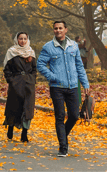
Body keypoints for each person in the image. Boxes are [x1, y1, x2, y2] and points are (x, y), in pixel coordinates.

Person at [37, 20, 89, 157]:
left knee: (74, 115)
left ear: (66, 29)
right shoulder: (48, 47)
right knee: (59, 116)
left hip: (73, 86)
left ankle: (62, 135)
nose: (58, 30)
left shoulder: (74, 46)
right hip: (57, 87)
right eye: (55, 28)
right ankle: (63, 147)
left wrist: (85, 84)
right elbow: (40, 64)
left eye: (60, 28)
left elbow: (79, 66)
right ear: (53, 30)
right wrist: (52, 76)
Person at [3, 32, 37, 142]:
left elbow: (34, 69)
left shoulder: (31, 52)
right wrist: (11, 80)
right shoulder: (11, 52)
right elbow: (7, 69)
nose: (22, 41)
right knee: (14, 106)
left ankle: (24, 133)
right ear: (16, 40)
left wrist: (32, 79)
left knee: (28, 108)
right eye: (20, 39)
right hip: (16, 84)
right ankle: (11, 127)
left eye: (25, 39)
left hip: (28, 85)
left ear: (28, 40)